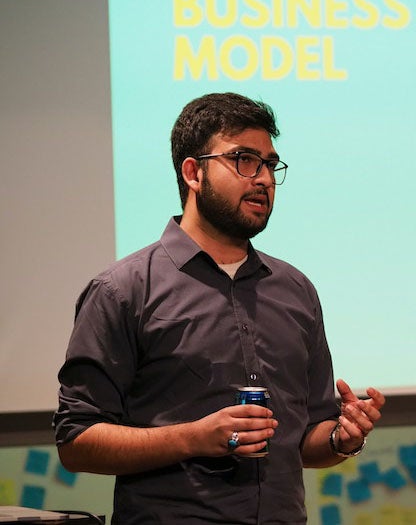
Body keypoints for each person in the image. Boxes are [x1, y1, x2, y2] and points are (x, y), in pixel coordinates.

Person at [53, 92, 385, 524]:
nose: (263, 178)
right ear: (193, 173)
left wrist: (342, 437)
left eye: (269, 164)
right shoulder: (123, 290)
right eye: (244, 160)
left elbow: (306, 442)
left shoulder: (295, 290)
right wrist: (195, 437)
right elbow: (76, 442)